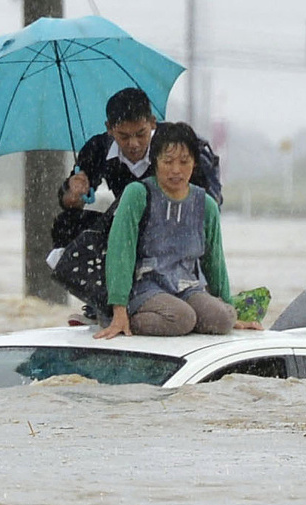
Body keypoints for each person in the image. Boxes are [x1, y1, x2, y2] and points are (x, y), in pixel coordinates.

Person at [93, 122, 261, 339]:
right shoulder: (138, 194)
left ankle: (189, 315)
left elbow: (214, 259)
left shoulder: (206, 204)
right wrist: (118, 308)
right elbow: (120, 251)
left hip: (186, 286)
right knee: (182, 318)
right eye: (168, 161)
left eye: (184, 162)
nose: (176, 170)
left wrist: (228, 306)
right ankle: (117, 317)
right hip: (144, 287)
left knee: (222, 319)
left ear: (194, 163)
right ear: (155, 161)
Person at [51, 87, 222, 249]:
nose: (133, 144)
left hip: (173, 224)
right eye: (123, 136)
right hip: (126, 225)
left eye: (141, 134)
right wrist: (73, 193)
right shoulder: (98, 149)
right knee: (65, 223)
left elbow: (209, 205)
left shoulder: (175, 144)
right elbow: (69, 201)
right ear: (109, 128)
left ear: (153, 123)